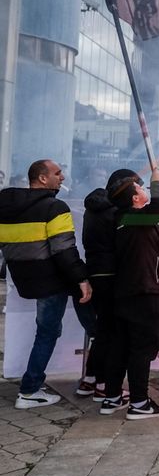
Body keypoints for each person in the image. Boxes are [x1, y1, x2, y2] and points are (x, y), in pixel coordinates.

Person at [0, 160, 92, 409]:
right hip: (53, 280)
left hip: (27, 279)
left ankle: (34, 386)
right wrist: (81, 278)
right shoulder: (54, 207)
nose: (62, 178)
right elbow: (64, 249)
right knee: (48, 333)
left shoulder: (7, 207)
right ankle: (29, 390)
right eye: (57, 173)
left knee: (45, 331)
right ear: (42, 178)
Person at [102, 167, 159, 418]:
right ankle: (139, 403)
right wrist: (157, 182)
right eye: (140, 188)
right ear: (134, 198)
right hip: (143, 293)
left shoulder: (133, 221)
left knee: (122, 347)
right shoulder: (131, 218)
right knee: (140, 349)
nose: (144, 189)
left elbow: (148, 252)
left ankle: (112, 397)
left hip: (130, 292)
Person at [82, 173, 129, 402]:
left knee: (102, 330)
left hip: (95, 271)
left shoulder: (94, 208)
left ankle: (90, 379)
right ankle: (104, 384)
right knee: (109, 332)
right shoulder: (113, 211)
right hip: (110, 274)